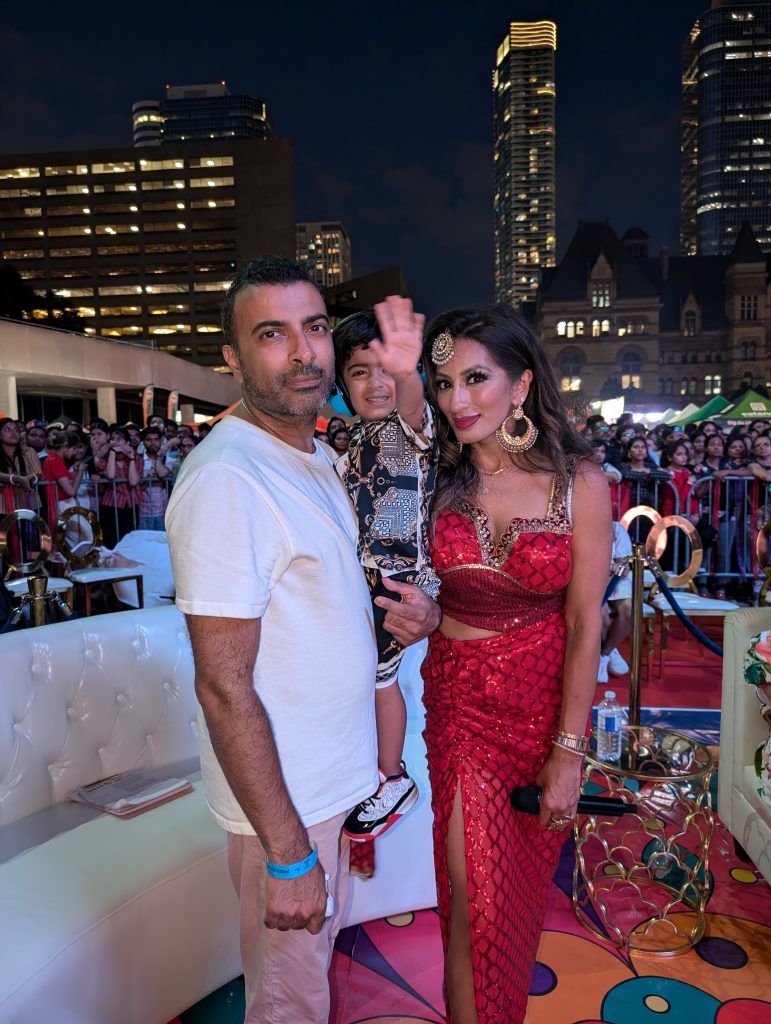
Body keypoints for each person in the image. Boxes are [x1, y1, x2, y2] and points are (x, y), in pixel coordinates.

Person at [165, 255, 440, 1024]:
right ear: (232, 358)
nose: (304, 352)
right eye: (272, 334)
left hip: (325, 786)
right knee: (290, 1001)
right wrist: (287, 853)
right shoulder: (229, 478)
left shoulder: (315, 453)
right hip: (288, 807)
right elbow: (223, 685)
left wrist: (418, 616)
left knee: (304, 982)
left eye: (314, 328)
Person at [420, 304, 611, 1023]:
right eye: (442, 382)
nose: (456, 400)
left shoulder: (579, 484)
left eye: (474, 378)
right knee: (474, 896)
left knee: (515, 903)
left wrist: (567, 751)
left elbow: (584, 618)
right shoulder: (432, 481)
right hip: (461, 704)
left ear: (521, 383)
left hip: (540, 713)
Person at [332, 301, 439, 842]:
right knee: (366, 677)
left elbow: (415, 405)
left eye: (386, 370)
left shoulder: (408, 427)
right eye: (359, 371)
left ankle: (393, 778)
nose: (376, 383)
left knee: (381, 679)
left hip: (397, 578)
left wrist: (405, 372)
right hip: (363, 576)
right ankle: (371, 770)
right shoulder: (354, 436)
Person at [137, 426, 172, 530]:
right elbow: (136, 487)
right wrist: (148, 480)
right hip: (142, 512)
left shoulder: (168, 458)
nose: (153, 443)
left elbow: (161, 474)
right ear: (143, 442)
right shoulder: (137, 460)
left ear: (161, 441)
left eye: (156, 439)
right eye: (148, 440)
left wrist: (158, 456)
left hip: (164, 511)